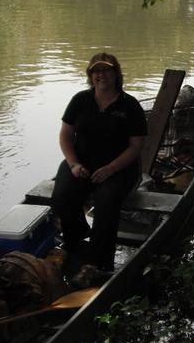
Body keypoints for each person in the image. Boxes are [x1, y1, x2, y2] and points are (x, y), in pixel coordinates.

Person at [51, 52, 147, 271]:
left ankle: (100, 263)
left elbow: (136, 147)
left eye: (106, 70)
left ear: (116, 73)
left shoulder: (129, 106)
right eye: (96, 71)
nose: (101, 75)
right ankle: (76, 243)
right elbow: (65, 135)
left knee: (106, 202)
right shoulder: (80, 100)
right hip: (81, 163)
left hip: (120, 168)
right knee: (62, 197)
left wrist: (111, 168)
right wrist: (74, 164)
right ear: (90, 75)